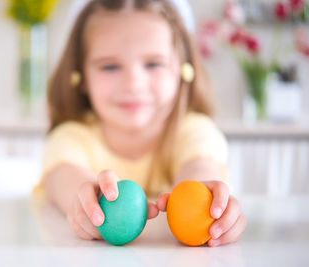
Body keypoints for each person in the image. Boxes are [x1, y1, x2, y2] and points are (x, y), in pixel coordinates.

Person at [33, 0, 246, 247]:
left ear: (182, 69)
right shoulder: (71, 137)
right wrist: (85, 201)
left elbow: (200, 168)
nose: (133, 84)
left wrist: (208, 200)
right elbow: (65, 178)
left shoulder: (194, 132)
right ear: (81, 76)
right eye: (110, 66)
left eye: (154, 63)